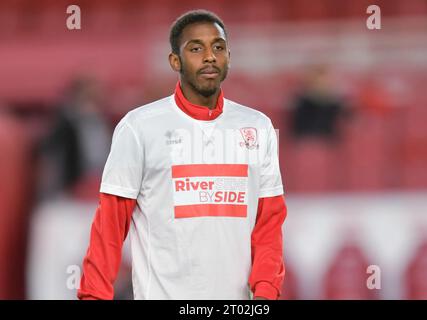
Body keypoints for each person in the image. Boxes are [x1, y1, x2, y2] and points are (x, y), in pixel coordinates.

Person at [78, 10, 287, 300]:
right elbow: (109, 228)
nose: (210, 56)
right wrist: (93, 296)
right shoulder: (138, 128)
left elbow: (269, 225)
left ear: (229, 55)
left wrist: (266, 295)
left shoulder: (258, 126)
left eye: (218, 47)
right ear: (175, 61)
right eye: (196, 48)